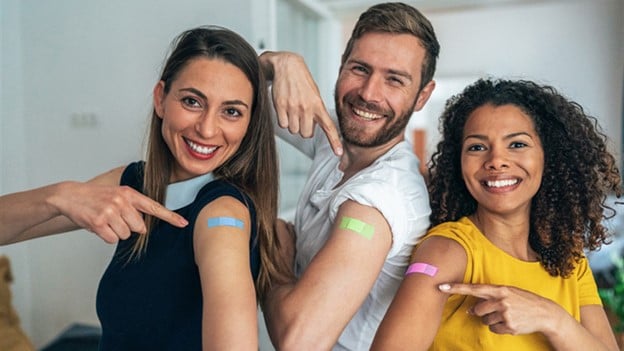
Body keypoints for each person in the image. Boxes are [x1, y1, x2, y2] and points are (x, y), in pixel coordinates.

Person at [0, 25, 287, 350]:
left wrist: (282, 64)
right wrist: (59, 196)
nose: (207, 129)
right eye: (192, 101)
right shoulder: (133, 183)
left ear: (250, 124)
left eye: (231, 112)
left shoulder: (221, 213)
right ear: (160, 99)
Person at [371, 78, 622, 350]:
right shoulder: (447, 252)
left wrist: (552, 318)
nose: (496, 161)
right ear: (459, 163)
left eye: (517, 144)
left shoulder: (570, 261)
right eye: (477, 147)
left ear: (547, 155)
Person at [258, 2, 440, 350]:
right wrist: (277, 63)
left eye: (394, 80)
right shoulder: (337, 135)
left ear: (422, 96)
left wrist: (276, 257)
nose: (369, 94)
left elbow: (300, 342)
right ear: (342, 65)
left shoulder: (380, 199)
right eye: (360, 69)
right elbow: (235, 96)